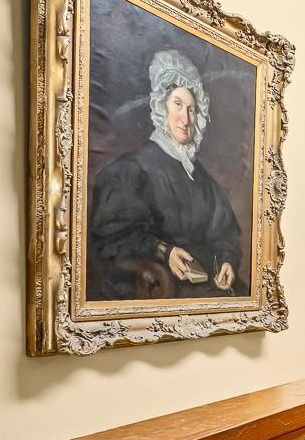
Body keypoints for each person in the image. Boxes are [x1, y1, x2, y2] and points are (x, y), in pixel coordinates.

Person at [88, 49, 244, 300]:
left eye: (192, 109)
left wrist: (227, 261)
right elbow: (111, 238)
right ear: (162, 108)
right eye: (178, 105)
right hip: (166, 289)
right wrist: (163, 250)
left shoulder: (203, 180)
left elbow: (224, 234)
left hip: (210, 285)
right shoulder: (133, 169)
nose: (186, 118)